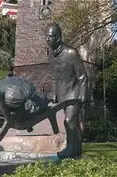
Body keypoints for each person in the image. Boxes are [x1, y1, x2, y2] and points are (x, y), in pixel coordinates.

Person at [47, 23, 88, 159]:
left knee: (69, 120)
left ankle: (70, 148)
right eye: (46, 36)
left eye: (51, 36)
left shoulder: (71, 53)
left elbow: (82, 76)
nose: (48, 39)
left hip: (73, 93)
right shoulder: (51, 55)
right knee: (73, 122)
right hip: (62, 93)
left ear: (58, 39)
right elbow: (54, 76)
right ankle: (76, 149)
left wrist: (82, 95)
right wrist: (53, 92)